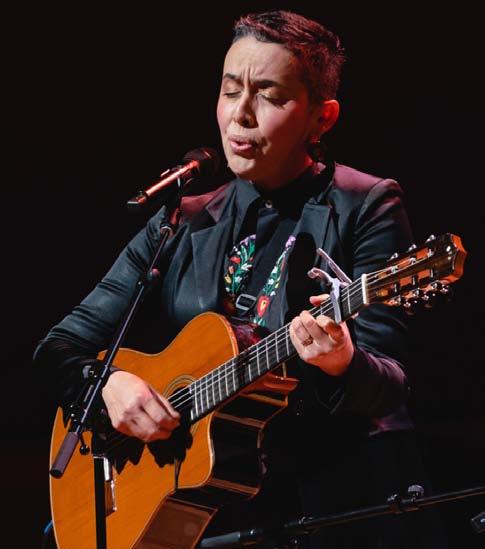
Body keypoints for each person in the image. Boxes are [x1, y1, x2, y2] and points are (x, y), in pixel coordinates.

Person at [35, 10, 447, 548]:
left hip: (329, 505)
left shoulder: (363, 205)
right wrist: (107, 383)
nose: (240, 115)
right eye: (230, 91)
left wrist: (341, 363)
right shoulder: (184, 219)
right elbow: (58, 348)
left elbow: (389, 385)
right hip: (213, 516)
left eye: (269, 96)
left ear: (322, 117)